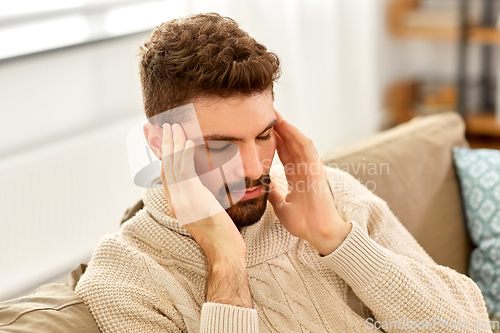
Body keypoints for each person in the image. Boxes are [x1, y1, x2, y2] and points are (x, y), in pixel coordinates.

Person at [75, 13, 492, 332]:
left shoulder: (330, 199)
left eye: (263, 135)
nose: (255, 168)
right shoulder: (125, 278)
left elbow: (469, 325)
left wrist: (337, 240)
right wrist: (225, 263)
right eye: (219, 145)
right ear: (157, 144)